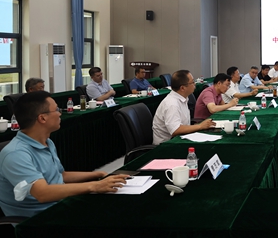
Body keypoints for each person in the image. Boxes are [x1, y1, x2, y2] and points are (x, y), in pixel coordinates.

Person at [0, 91, 128, 217]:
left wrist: (99, 175)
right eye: (56, 110)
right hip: (39, 217)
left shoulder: (47, 142)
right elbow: (42, 193)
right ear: (42, 118)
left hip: (60, 204)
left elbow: (61, 175)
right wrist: (95, 186)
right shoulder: (15, 154)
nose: (60, 113)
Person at [152, 70, 215, 145]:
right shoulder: (172, 104)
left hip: (180, 139)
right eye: (192, 82)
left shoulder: (182, 98)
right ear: (182, 88)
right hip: (166, 145)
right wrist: (200, 126)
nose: (195, 84)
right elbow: (175, 130)